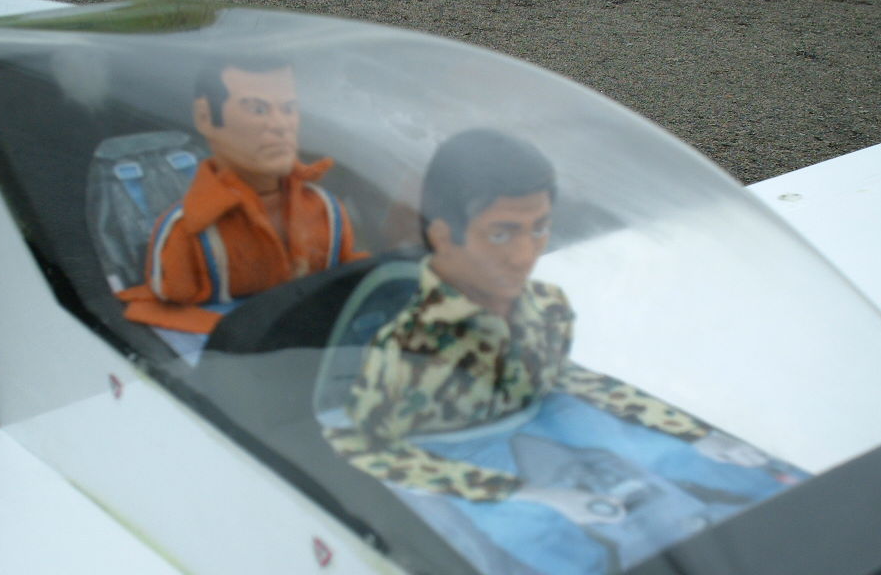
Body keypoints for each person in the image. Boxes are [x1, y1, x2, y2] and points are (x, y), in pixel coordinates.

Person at [327, 128, 770, 528]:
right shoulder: (406, 344)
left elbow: (568, 378)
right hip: (476, 494)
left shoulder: (547, 307)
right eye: (501, 234)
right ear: (444, 236)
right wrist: (527, 495)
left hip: (548, 448)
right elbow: (360, 445)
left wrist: (696, 435)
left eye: (539, 229)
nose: (525, 255)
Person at [119, 55, 360, 334]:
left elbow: (352, 283)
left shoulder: (328, 212)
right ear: (205, 118)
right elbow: (165, 317)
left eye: (289, 108)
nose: (281, 125)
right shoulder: (186, 232)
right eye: (258, 109)